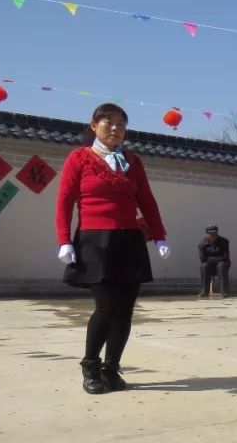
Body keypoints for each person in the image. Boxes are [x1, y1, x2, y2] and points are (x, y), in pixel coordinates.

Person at [55, 103, 169, 394]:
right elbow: (64, 201)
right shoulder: (79, 158)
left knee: (125, 311)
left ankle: (111, 368)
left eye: (121, 124)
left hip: (128, 241)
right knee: (106, 308)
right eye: (109, 123)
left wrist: (159, 235)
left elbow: (147, 201)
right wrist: (64, 240)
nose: (116, 129)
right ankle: (90, 366)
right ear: (94, 126)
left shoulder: (132, 161)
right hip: (95, 242)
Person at [198, 225, 230, 297]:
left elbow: (225, 257)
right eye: (211, 234)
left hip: (221, 263)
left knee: (221, 265)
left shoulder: (224, 242)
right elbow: (203, 259)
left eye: (215, 233)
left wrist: (210, 259)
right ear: (207, 234)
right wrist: (216, 258)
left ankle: (224, 292)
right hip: (210, 265)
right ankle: (204, 291)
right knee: (204, 266)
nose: (213, 235)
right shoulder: (202, 244)